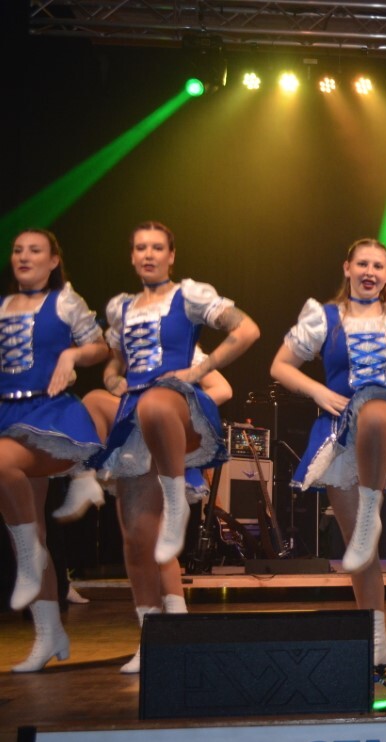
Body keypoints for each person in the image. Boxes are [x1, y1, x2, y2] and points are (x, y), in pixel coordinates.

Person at [93, 221, 260, 672]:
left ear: (171, 255)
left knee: (157, 405)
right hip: (135, 424)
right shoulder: (122, 311)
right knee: (138, 540)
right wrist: (114, 381)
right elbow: (113, 366)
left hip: (174, 416)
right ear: (131, 256)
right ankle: (155, 637)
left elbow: (244, 336)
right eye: (140, 247)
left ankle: (174, 499)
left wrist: (193, 375)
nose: (148, 254)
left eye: (157, 247)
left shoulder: (187, 303)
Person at [271, 238, 386, 666]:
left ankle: (370, 511)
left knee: (376, 410)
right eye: (362, 264)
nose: (370, 272)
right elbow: (280, 365)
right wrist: (318, 391)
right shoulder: (324, 316)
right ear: (347, 268)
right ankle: (376, 636)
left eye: (378, 266)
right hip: (341, 432)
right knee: (359, 550)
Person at [2, 229, 108, 672]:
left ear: (53, 261)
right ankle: (49, 634)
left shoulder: (64, 301)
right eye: (18, 250)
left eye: (35, 250)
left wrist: (72, 356)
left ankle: (31, 557)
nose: (24, 257)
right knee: (32, 528)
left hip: (49, 416)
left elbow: (100, 346)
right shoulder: (3, 307)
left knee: (2, 467)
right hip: (7, 413)